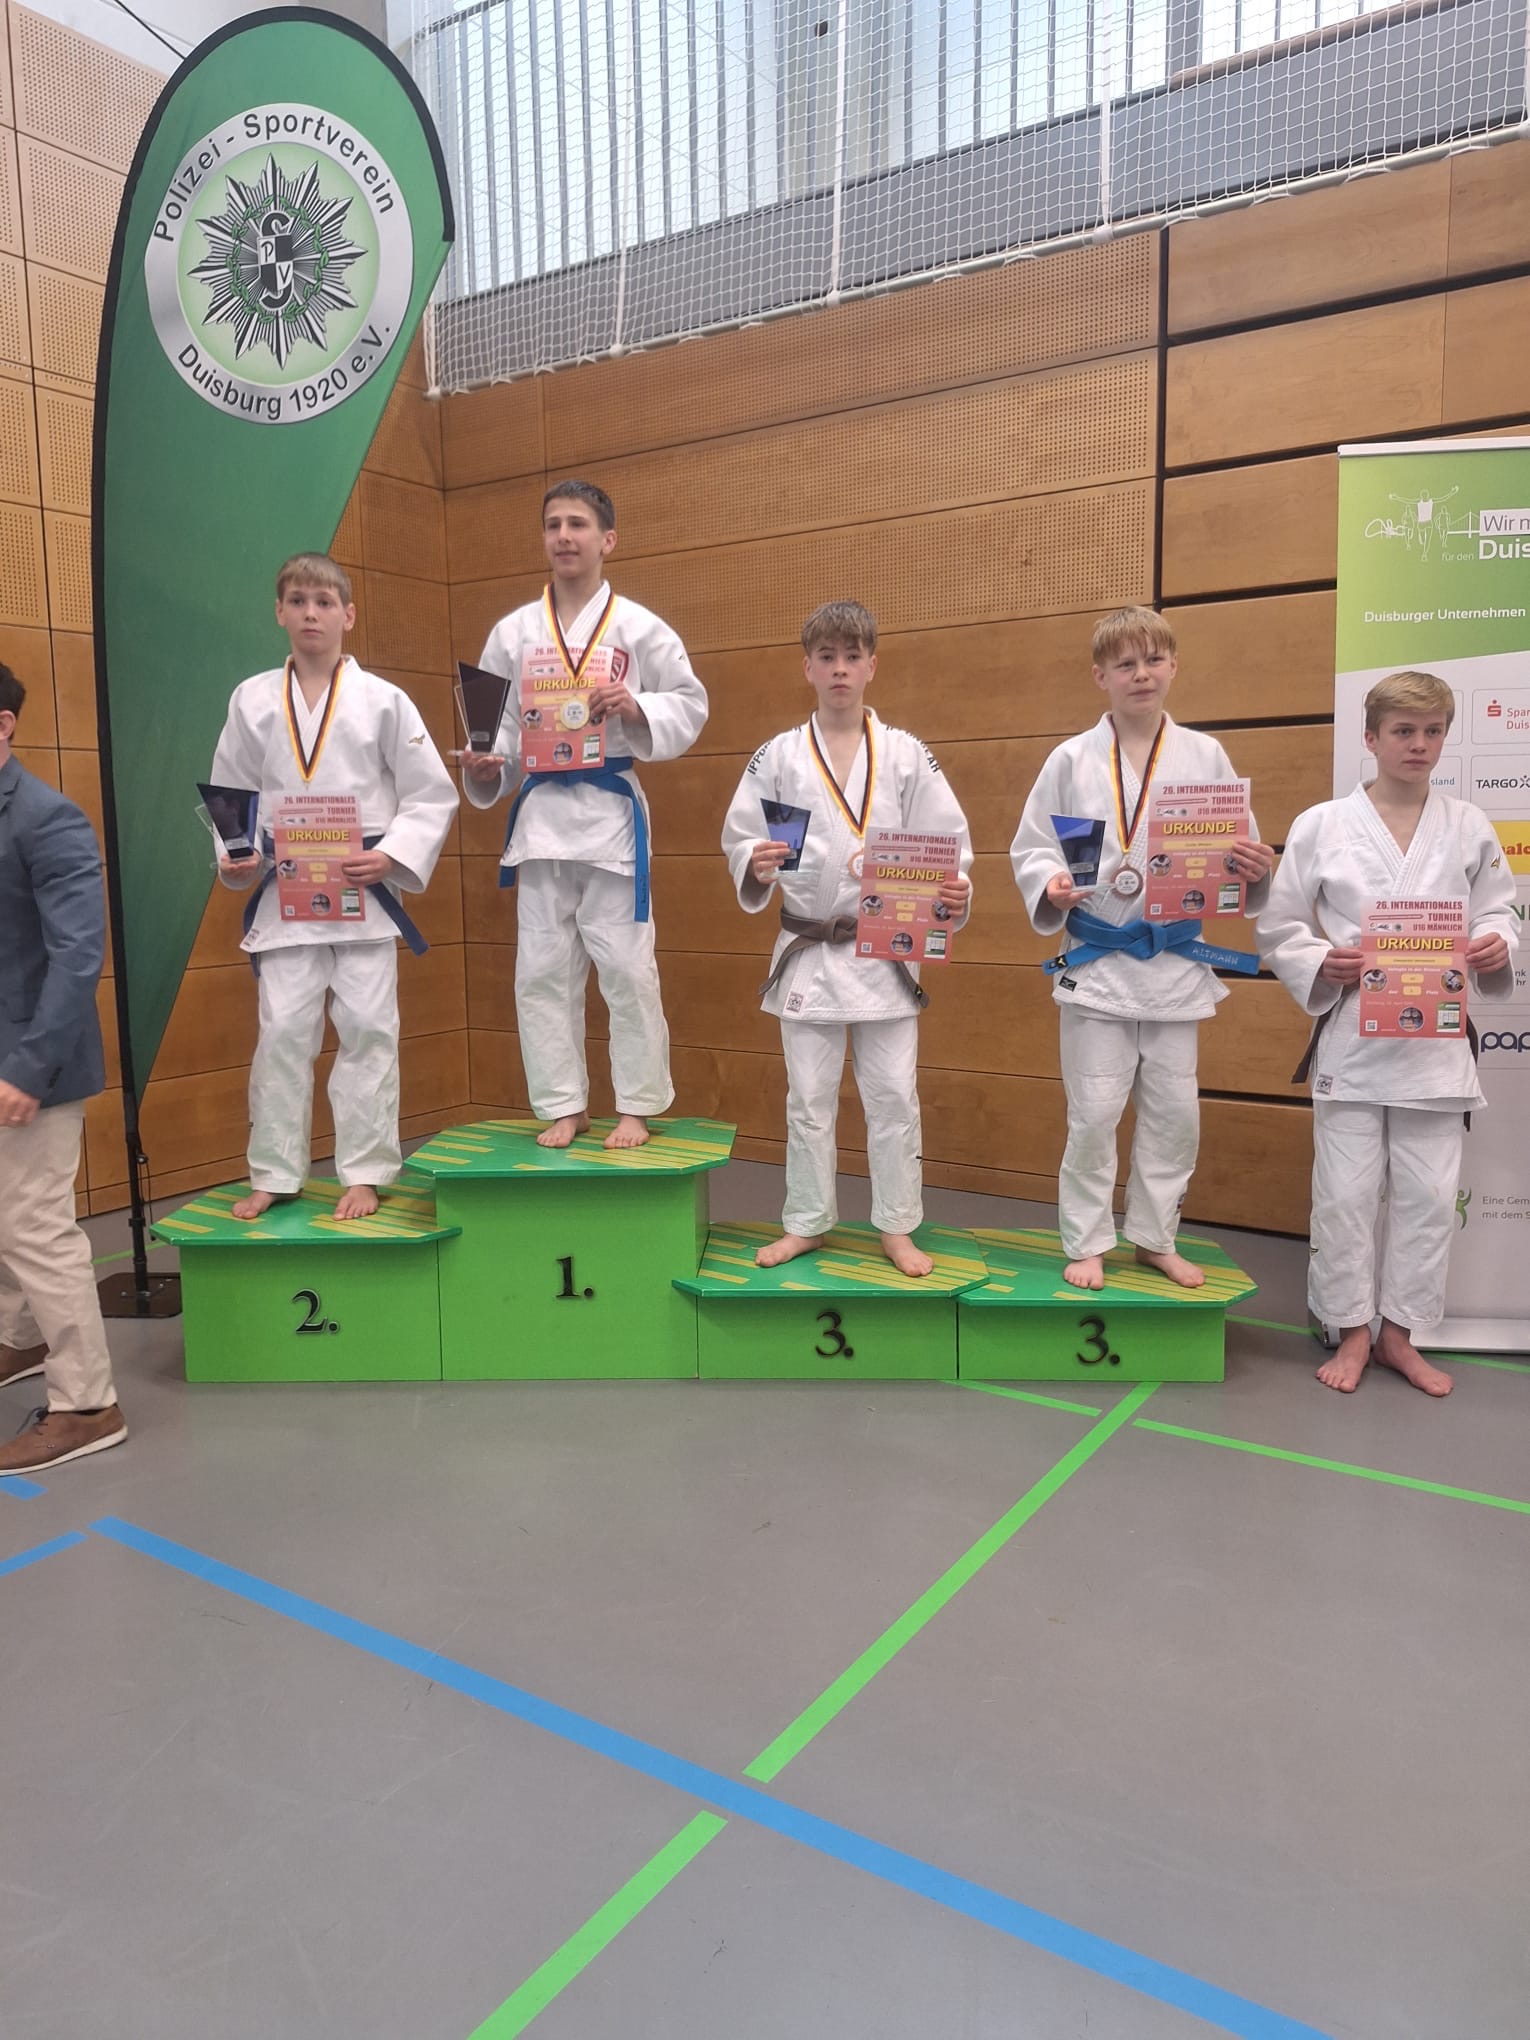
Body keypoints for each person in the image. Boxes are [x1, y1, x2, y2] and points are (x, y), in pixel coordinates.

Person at [1257, 670, 1518, 1397]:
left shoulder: (1468, 825)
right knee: (1344, 1196)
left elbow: (1499, 910)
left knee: (1428, 1200)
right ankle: (1351, 1331)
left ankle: (1400, 1335)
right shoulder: (1321, 824)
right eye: (1404, 731)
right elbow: (1280, 923)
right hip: (1354, 1041)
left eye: (1433, 731)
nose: (1419, 744)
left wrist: (1496, 944)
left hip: (1436, 1046)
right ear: (1371, 738)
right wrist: (1320, 960)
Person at [1010, 606, 1274, 1292]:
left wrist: (1254, 867)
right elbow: (1033, 846)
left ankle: (1157, 1237)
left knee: (1174, 1113)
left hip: (1174, 962)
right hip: (1097, 960)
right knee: (1095, 1112)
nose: (1141, 674)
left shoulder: (1205, 755)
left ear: (1174, 666)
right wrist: (1050, 883)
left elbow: (1240, 849)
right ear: (1100, 676)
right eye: (1124, 664)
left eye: (1154, 660)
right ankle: (1088, 1240)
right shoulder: (1070, 759)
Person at [721, 600, 972, 1278]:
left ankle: (898, 1225)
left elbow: (948, 842)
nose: (839, 669)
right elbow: (741, 832)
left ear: (871, 667)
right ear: (807, 667)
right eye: (827, 657)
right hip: (809, 951)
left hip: (886, 953)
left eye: (852, 657)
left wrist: (956, 891)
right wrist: (753, 861)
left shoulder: (907, 754)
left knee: (893, 1097)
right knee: (808, 1100)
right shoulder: (777, 755)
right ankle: (805, 1222)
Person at [461, 480, 708, 1150]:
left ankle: (637, 1105)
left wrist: (637, 706)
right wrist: (487, 766)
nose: (564, 536)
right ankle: (563, 1104)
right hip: (542, 818)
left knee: (626, 967)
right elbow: (495, 731)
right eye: (553, 525)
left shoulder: (640, 627)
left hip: (610, 816)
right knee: (541, 970)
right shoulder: (511, 633)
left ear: (608, 539)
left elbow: (690, 703)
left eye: (577, 524)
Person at [211, 554, 458, 1221]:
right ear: (279, 613)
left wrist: (392, 856)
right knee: (282, 1035)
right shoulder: (251, 699)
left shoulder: (384, 700)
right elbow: (231, 790)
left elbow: (431, 794)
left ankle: (366, 1171)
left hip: (361, 895)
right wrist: (235, 854)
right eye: (297, 601)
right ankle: (274, 1171)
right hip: (287, 894)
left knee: (369, 1031)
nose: (310, 614)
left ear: (348, 614)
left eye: (323, 602)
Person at [0, 665, 126, 1472]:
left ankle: (87, 1403)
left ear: (3, 725)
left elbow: (78, 955)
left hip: (30, 1064)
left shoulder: (47, 818)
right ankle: (18, 1340)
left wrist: (28, 1067)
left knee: (33, 1225)